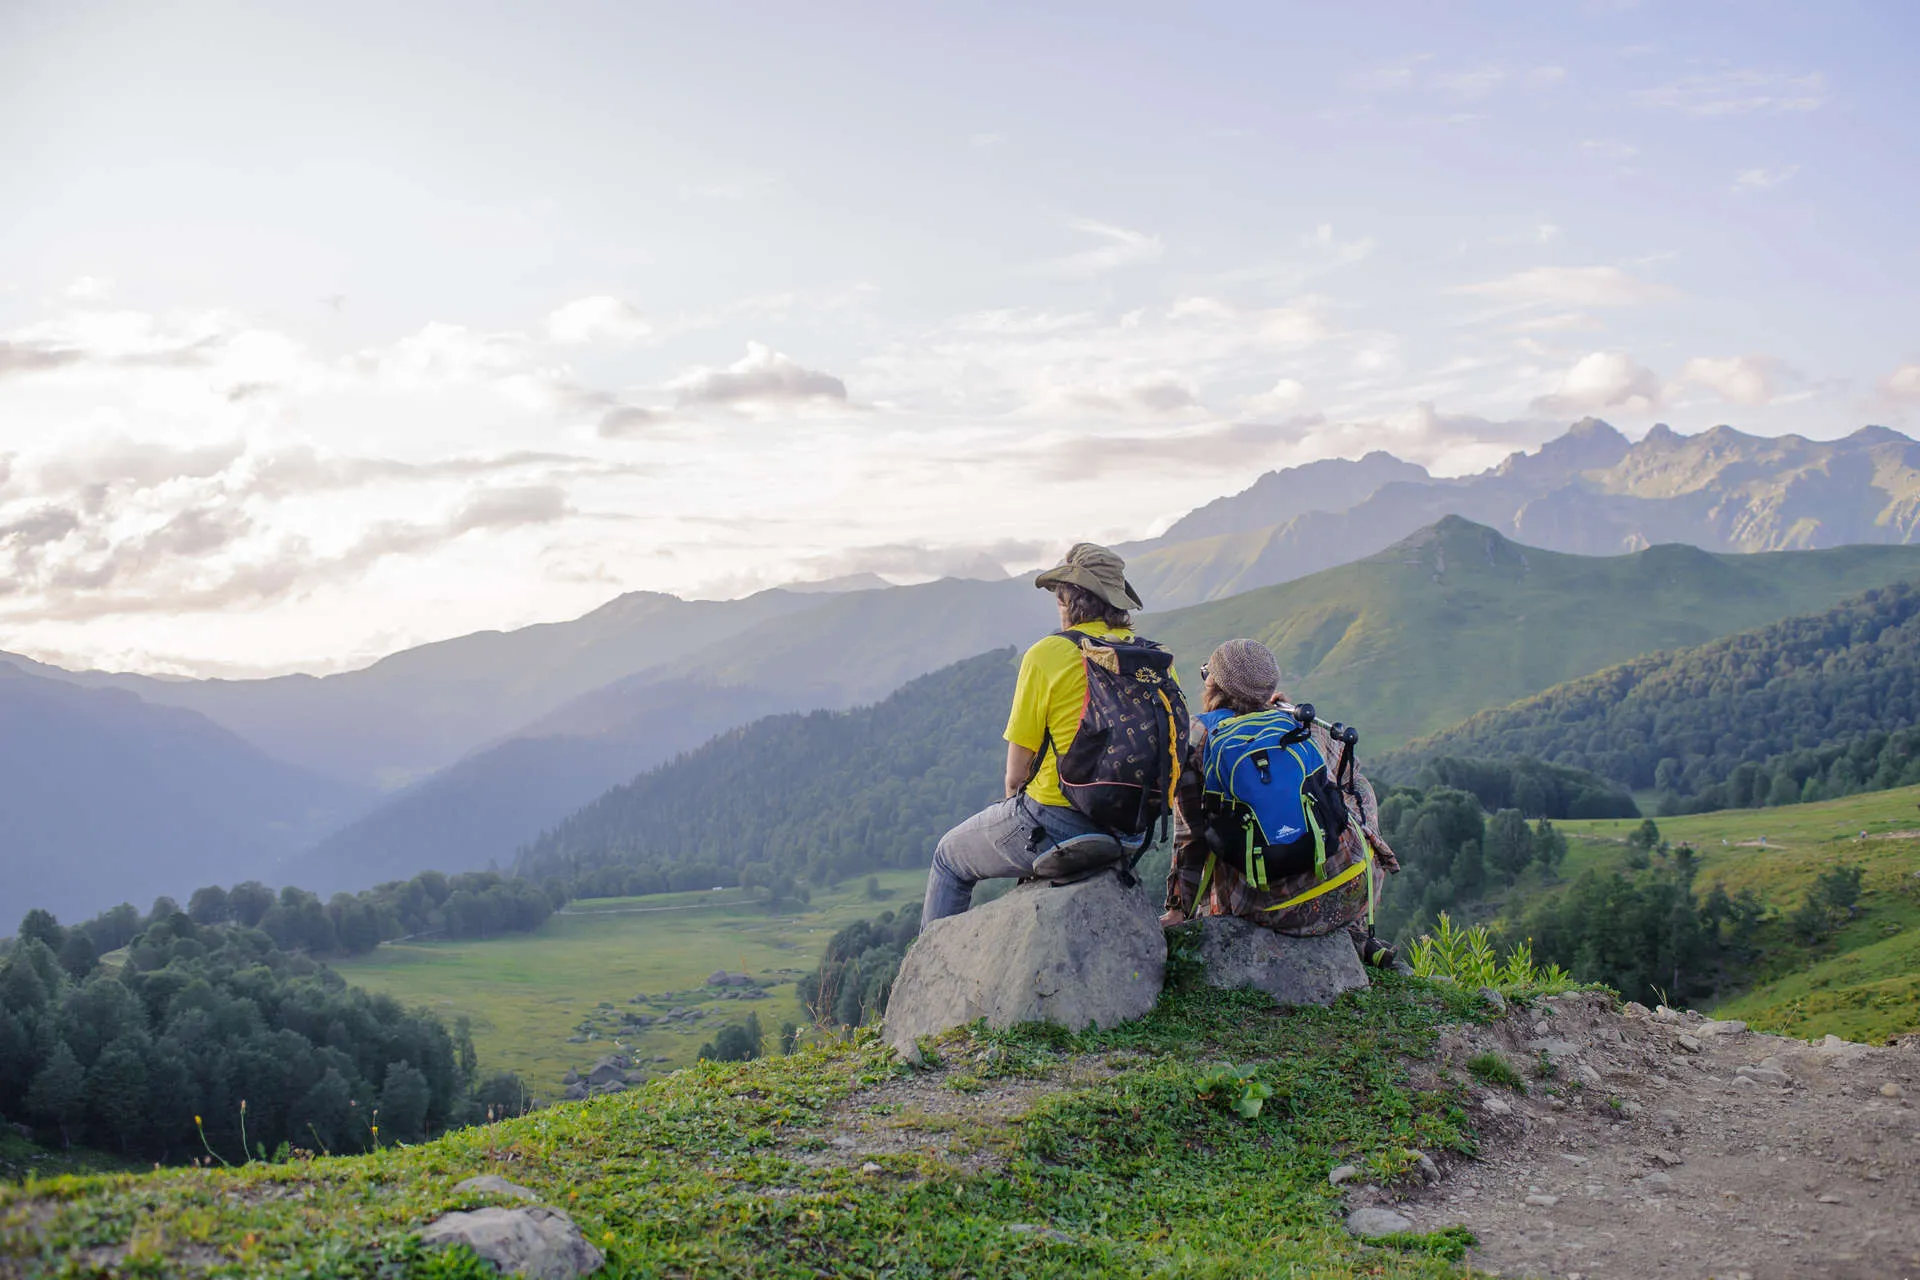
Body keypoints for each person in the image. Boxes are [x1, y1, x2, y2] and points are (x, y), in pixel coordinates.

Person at [920, 542, 1181, 926]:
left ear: (1068, 601)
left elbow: (1016, 775)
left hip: (1058, 825)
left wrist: (1020, 824)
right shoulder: (1155, 660)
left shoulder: (1047, 654)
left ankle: (927, 979)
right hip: (1130, 831)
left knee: (948, 857)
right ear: (1117, 602)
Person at [1159, 638, 1399, 953]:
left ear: (1213, 684)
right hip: (1352, 894)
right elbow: (1354, 788)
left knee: (1225, 825)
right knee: (1356, 786)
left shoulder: (1201, 738)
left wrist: (1180, 908)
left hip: (1276, 910)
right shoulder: (1301, 724)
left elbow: (1190, 838)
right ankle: (1355, 930)